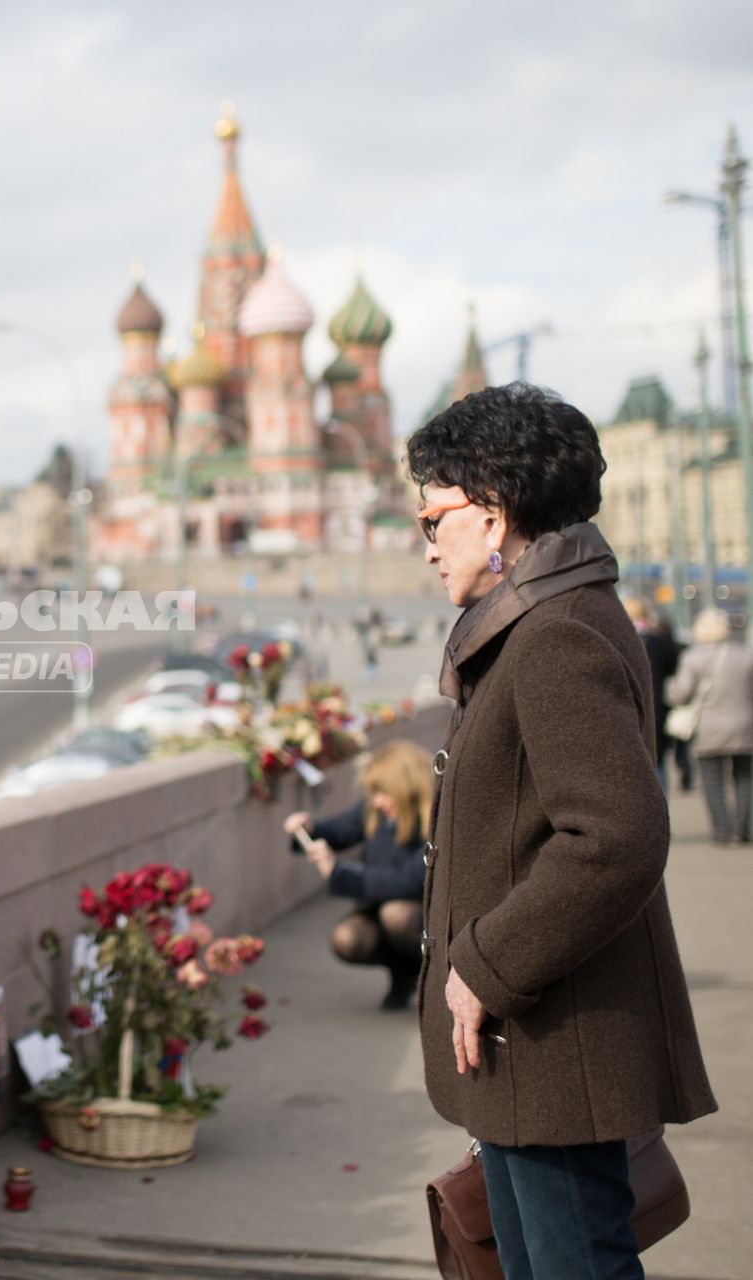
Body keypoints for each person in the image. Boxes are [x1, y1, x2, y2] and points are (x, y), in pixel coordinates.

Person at [406, 383, 715, 1278]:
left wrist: (483, 968)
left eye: (434, 520)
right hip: (527, 1039)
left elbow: (614, 836)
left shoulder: (554, 635)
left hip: (550, 1034)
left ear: (494, 513)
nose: (426, 546)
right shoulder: (539, 620)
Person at [282, 739, 431, 1010]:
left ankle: (428, 976)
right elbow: (338, 831)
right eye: (374, 792)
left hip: (420, 913)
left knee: (396, 915)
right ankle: (403, 973)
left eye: (383, 792)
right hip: (379, 907)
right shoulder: (374, 810)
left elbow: (408, 881)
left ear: (408, 788)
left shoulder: (437, 820)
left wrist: (340, 873)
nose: (377, 800)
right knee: (347, 939)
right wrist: (309, 829)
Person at [665, 607, 753, 844]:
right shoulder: (745, 656)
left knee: (713, 781)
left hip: (709, 727)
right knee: (744, 778)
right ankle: (744, 828)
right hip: (744, 725)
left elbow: (680, 694)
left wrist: (670, 687)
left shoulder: (693, 658)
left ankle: (722, 830)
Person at [623, 597, 690, 791]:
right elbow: (674, 669)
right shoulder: (660, 640)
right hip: (656, 705)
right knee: (657, 758)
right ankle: (660, 808)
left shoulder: (615, 638)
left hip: (624, 704)